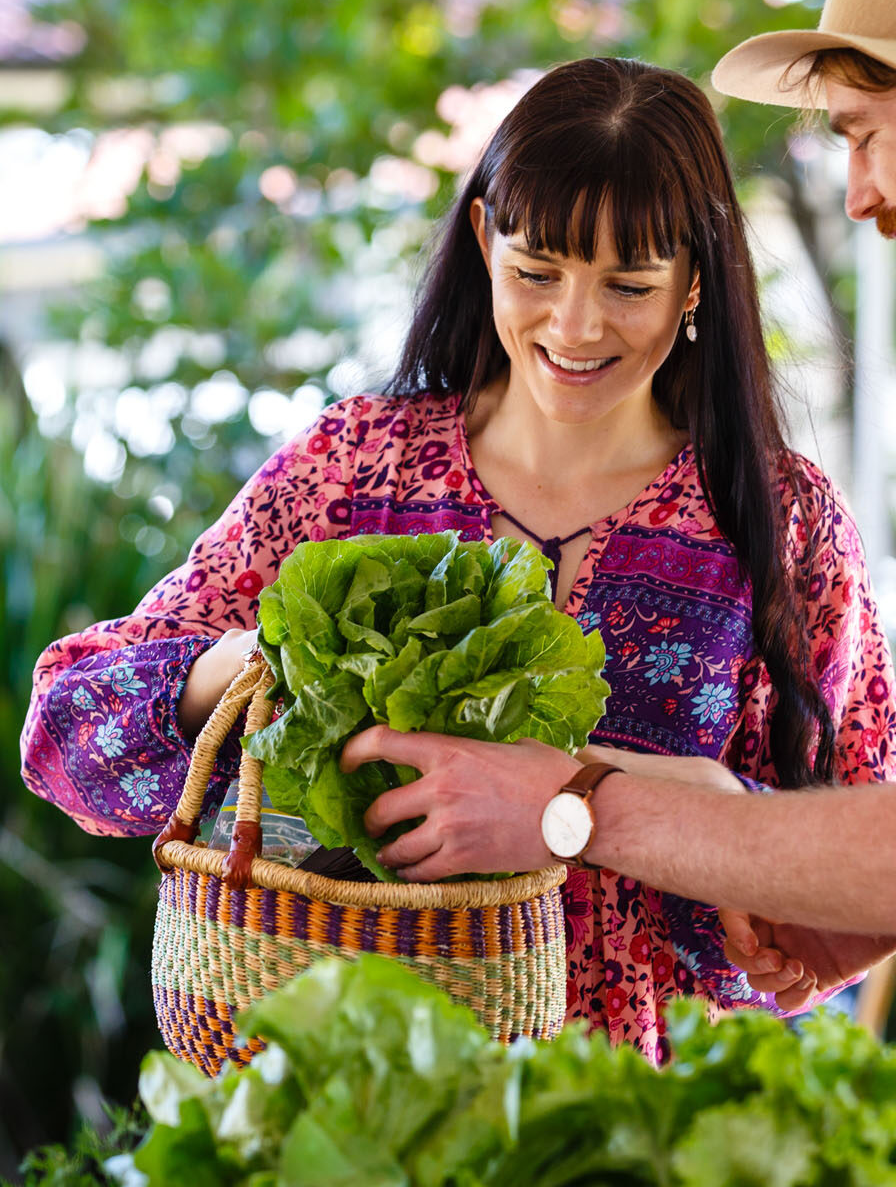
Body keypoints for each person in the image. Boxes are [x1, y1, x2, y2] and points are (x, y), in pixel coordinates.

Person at [20, 56, 895, 1066]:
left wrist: (677, 803)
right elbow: (66, 740)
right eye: (536, 273)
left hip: (642, 1122)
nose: (575, 325)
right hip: (349, 1105)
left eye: (627, 284)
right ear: (483, 240)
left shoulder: (781, 525)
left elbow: (836, 916)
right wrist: (256, 660)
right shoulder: (349, 470)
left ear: (695, 278)